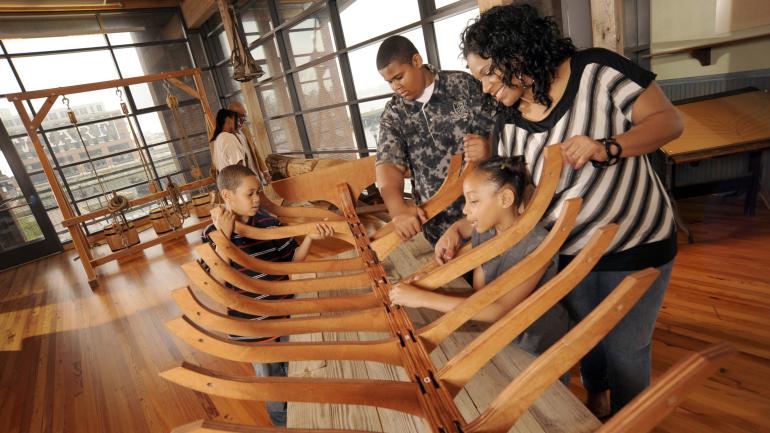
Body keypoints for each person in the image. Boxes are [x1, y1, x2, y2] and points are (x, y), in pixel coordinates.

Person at [450, 4, 684, 417]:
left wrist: (608, 146)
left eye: (487, 73)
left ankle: (630, 419)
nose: (484, 88)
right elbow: (512, 201)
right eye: (478, 78)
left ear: (516, 53)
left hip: (636, 242)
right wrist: (464, 228)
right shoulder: (507, 125)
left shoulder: (596, 70)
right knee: (585, 338)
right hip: (567, 254)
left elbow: (669, 122)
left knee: (627, 348)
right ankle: (596, 399)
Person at [390, 156, 569, 356]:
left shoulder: (537, 244)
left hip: (536, 348)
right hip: (500, 338)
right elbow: (480, 296)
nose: (465, 209)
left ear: (505, 199)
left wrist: (422, 297)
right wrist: (430, 285)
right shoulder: (485, 231)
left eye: (473, 200)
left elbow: (497, 309)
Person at [202, 164, 333, 426]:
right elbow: (215, 283)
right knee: (273, 386)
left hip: (286, 313)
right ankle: (282, 424)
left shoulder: (268, 222)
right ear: (227, 196)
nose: (257, 199)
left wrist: (309, 237)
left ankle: (306, 419)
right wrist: (225, 239)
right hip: (253, 328)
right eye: (249, 194)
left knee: (298, 370)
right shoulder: (212, 234)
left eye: (258, 192)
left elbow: (292, 262)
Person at [375, 35, 494, 246]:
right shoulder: (395, 113)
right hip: (438, 226)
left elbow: (500, 130)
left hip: (487, 213)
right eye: (389, 82)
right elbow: (388, 166)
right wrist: (398, 210)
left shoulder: (463, 85)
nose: (395, 87)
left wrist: (489, 147)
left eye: (399, 77)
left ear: (416, 61)